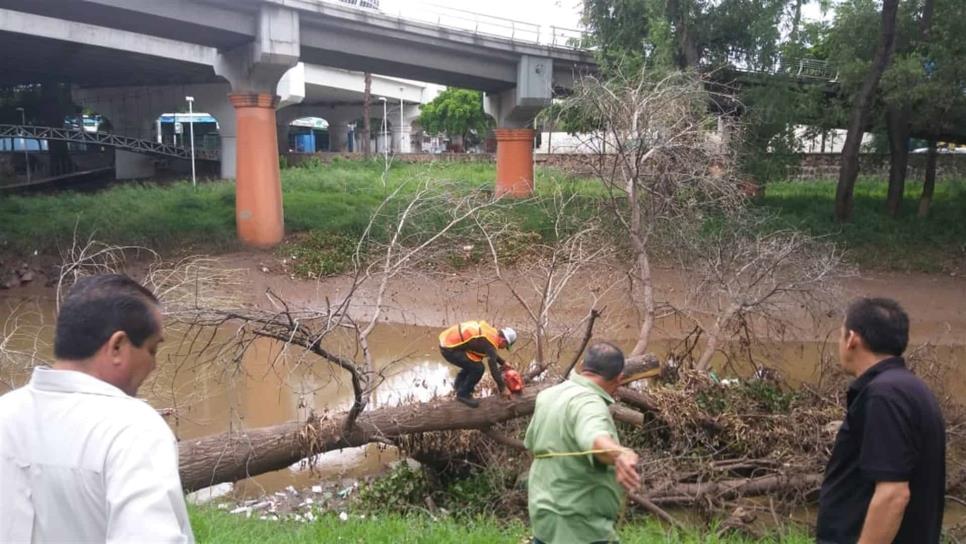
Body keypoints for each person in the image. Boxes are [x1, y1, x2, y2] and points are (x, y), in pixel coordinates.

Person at [0, 274, 195, 543]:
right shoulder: (132, 429)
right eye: (152, 350)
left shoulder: (6, 413)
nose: (154, 366)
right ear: (117, 346)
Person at [817, 297, 945, 544]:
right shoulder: (910, 388)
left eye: (841, 333)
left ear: (852, 338)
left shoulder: (884, 396)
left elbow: (893, 494)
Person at [524, 341, 641, 544]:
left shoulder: (548, 396)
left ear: (582, 367)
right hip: (580, 529)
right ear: (619, 379)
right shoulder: (590, 403)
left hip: (545, 519)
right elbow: (594, 438)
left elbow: (531, 448)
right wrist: (620, 453)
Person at [438, 320, 517, 407]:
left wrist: (503, 363)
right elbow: (493, 368)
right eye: (505, 346)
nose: (503, 348)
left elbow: (491, 353)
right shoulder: (490, 343)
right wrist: (503, 388)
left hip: (447, 343)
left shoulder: (491, 333)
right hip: (449, 349)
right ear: (503, 341)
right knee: (478, 368)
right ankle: (463, 395)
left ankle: (459, 385)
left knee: (472, 363)